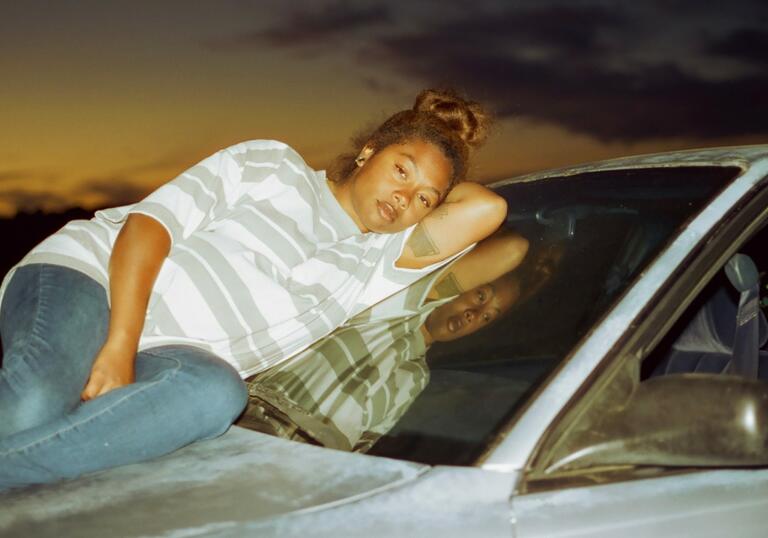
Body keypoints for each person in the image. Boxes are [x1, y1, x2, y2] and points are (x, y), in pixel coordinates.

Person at [0, 89, 506, 489]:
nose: (404, 197)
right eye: (401, 169)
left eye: (424, 198)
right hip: (95, 279)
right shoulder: (274, 166)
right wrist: (119, 347)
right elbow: (148, 228)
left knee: (219, 392)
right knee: (35, 403)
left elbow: (488, 211)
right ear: (367, 150)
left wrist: (448, 156)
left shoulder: (376, 262)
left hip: (170, 354)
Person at [239, 230, 528, 451]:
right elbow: (514, 249)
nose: (474, 315)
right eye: (481, 296)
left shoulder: (416, 377)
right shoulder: (394, 306)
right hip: (247, 432)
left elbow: (361, 446)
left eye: (489, 317)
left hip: (295, 475)